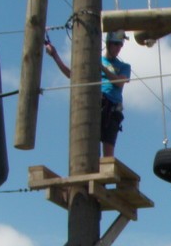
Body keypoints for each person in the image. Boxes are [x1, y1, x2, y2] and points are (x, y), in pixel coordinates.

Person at [44, 30, 132, 158]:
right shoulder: (95, 60)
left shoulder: (124, 66)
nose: (118, 48)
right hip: (97, 102)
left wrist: (102, 68)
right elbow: (72, 75)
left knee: (108, 152)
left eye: (120, 45)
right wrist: (55, 55)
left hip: (113, 108)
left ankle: (106, 175)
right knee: (89, 145)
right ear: (108, 44)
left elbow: (119, 82)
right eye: (116, 44)